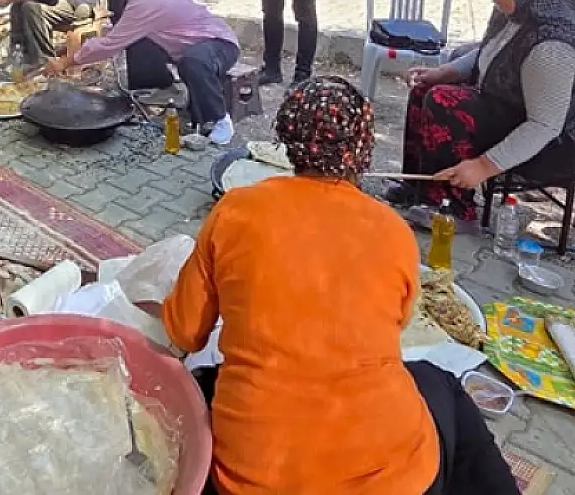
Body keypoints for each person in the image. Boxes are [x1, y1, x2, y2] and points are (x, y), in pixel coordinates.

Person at [162, 77, 519, 495]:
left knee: (201, 385)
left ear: (288, 141)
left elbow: (185, 331)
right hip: (395, 481)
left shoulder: (236, 210)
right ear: (362, 150)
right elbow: (397, 324)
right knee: (436, 380)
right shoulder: (392, 231)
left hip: (250, 480)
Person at [394, 0, 575, 220]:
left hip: (556, 144)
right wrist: (443, 72)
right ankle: (421, 185)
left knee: (445, 101)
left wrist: (483, 166)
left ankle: (453, 208)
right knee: (428, 89)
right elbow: (490, 52)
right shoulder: (517, 12)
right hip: (514, 109)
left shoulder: (553, 45)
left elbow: (544, 125)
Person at [46, 0, 240, 145]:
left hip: (220, 44)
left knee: (193, 62)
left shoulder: (145, 0)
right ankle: (164, 89)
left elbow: (109, 45)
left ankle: (221, 120)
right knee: (148, 45)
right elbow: (121, 33)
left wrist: (65, 62)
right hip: (193, 47)